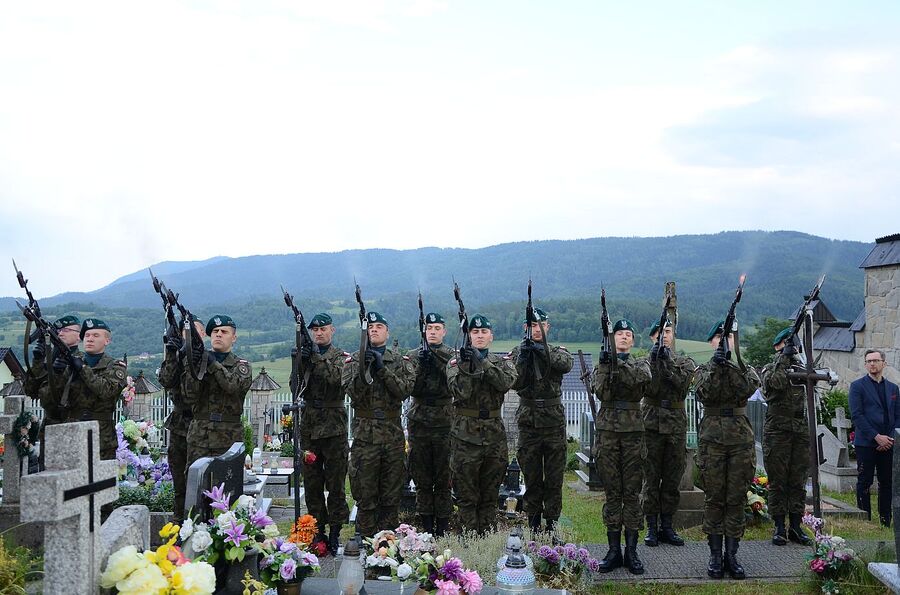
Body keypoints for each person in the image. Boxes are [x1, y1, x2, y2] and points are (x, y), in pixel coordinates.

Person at [694, 320, 760, 580]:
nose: (723, 341)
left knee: (736, 497)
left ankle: (732, 555)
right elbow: (703, 392)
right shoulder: (703, 369)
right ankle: (714, 554)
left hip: (740, 441)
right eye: (719, 338)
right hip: (712, 441)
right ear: (712, 343)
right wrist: (716, 367)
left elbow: (749, 388)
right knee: (714, 497)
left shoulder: (744, 367)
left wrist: (731, 365)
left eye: (728, 337)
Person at [341, 311, 415, 538]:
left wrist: (382, 369)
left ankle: (388, 547)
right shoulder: (353, 361)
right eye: (370, 327)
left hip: (391, 436)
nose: (374, 329)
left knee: (391, 495)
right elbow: (351, 391)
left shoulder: (400, 362)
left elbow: (404, 391)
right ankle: (363, 543)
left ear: (387, 331)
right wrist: (365, 369)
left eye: (379, 326)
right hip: (365, 436)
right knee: (365, 494)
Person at [447, 314, 517, 535]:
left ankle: (486, 540)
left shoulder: (503, 362)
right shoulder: (455, 363)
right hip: (464, 435)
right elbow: (460, 392)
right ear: (469, 336)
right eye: (475, 332)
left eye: (483, 332)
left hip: (493, 434)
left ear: (491, 337)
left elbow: (504, 383)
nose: (479, 335)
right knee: (466, 494)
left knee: (490, 492)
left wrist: (482, 361)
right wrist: (469, 365)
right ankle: (468, 542)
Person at [591, 319, 651, 575]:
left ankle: (632, 551)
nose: (624, 338)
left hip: (633, 436)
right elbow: (600, 391)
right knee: (613, 494)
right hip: (607, 435)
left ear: (633, 341)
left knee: (632, 494)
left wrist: (618, 364)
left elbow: (641, 382)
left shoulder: (641, 363)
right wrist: (607, 365)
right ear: (612, 339)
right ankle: (614, 550)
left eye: (628, 335)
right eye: (619, 334)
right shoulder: (601, 365)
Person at [508, 307, 573, 534]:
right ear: (526, 328)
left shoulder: (557, 351)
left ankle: (552, 526)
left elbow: (565, 364)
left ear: (548, 327)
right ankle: (534, 526)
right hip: (529, 423)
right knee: (532, 478)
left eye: (541, 326)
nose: (537, 330)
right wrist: (525, 356)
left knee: (554, 480)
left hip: (553, 423)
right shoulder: (519, 352)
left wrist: (541, 349)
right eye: (532, 326)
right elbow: (513, 380)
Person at [297, 313, 349, 553]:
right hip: (310, 427)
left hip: (334, 428)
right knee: (312, 483)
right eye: (314, 330)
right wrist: (302, 363)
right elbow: (295, 387)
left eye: (323, 329)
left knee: (336, 483)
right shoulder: (305, 356)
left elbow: (337, 381)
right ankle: (317, 531)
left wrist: (317, 360)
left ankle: (336, 530)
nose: (318, 333)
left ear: (332, 330)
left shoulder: (341, 357)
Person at [641, 320, 696, 547]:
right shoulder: (644, 362)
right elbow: (647, 388)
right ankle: (652, 526)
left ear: (673, 335)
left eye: (667, 332)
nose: (663, 336)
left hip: (674, 427)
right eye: (658, 333)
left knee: (672, 478)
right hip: (651, 425)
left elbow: (682, 387)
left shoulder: (684, 362)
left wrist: (667, 364)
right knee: (651, 478)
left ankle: (667, 526)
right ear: (652, 338)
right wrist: (655, 362)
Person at [760, 328, 813, 545]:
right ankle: (779, 526)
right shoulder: (770, 368)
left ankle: (796, 526)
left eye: (795, 345)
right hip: (777, 429)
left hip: (799, 428)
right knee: (778, 480)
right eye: (788, 345)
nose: (793, 349)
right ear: (777, 346)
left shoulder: (803, 368)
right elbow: (774, 384)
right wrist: (783, 359)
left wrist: (796, 360)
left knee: (798, 479)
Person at [49, 318, 128, 460]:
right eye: (87, 335)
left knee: (100, 481)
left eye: (96, 335)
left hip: (101, 437)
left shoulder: (116, 366)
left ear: (107, 341)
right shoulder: (71, 360)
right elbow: (55, 397)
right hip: (72, 433)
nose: (90, 339)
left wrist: (82, 368)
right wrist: (57, 373)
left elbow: (105, 391)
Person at [406, 312, 455, 536]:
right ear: (424, 331)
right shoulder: (414, 355)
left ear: (444, 331)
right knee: (422, 476)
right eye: (429, 328)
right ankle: (426, 525)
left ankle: (443, 526)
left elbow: (455, 381)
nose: (433, 332)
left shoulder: (451, 355)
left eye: (437, 328)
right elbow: (406, 386)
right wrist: (421, 365)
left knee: (444, 477)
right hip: (420, 421)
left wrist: (435, 361)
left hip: (444, 421)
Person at [184, 315, 253, 466]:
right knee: (196, 483)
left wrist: (213, 363)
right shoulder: (200, 362)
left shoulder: (242, 366)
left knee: (228, 485)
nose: (219, 334)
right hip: (200, 437)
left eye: (224, 331)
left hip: (228, 437)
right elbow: (189, 395)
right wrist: (191, 365)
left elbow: (232, 387)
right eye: (215, 331)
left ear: (234, 338)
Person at [157, 314, 205, 523]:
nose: (188, 336)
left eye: (193, 332)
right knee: (179, 482)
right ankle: (179, 523)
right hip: (179, 425)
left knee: (200, 482)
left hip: (202, 427)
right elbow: (166, 380)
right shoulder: (175, 359)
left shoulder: (207, 359)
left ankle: (201, 525)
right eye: (184, 332)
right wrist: (171, 352)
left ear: (203, 335)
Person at [849, 349, 900, 527]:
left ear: (883, 363)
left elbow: (897, 415)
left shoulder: (893, 388)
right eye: (869, 361)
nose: (872, 364)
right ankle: (865, 519)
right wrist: (877, 437)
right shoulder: (857, 386)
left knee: (887, 482)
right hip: (866, 443)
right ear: (865, 364)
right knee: (864, 481)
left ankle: (886, 520)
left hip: (889, 443)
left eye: (875, 360)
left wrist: (890, 438)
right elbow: (857, 415)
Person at [22, 315, 82, 468]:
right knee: (47, 472)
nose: (61, 333)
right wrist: (38, 359)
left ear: (79, 336)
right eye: (59, 330)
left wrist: (59, 373)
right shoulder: (51, 359)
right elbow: (31, 390)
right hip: (49, 426)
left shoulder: (80, 361)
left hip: (71, 425)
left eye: (66, 330)